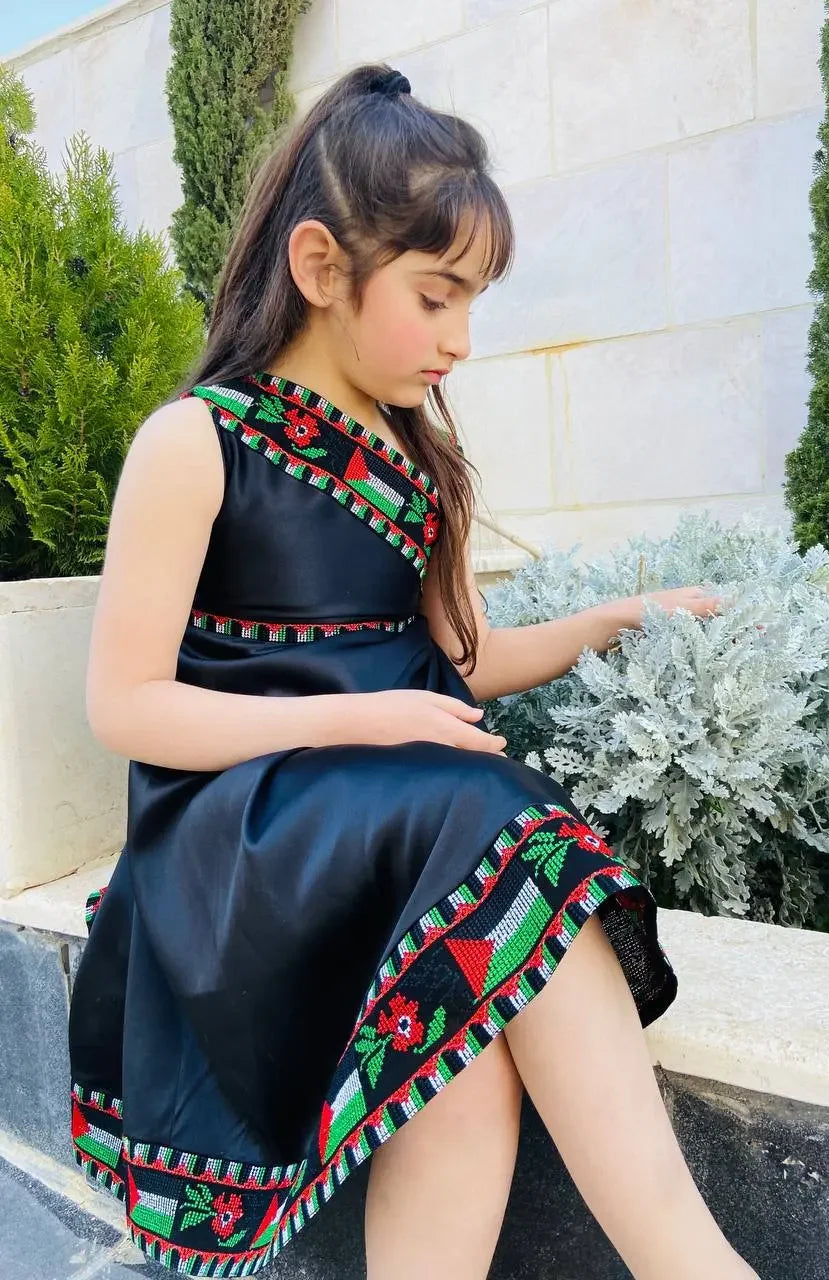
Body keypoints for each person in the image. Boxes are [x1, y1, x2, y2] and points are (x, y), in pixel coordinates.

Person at [68, 64, 758, 1280]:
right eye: (438, 297)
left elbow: (466, 664)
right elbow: (124, 704)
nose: (461, 340)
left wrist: (614, 614)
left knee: (464, 1020)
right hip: (246, 836)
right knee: (505, 821)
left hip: (393, 831)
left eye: (475, 303)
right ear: (323, 267)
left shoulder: (412, 456)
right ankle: (690, 1264)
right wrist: (365, 719)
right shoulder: (196, 443)